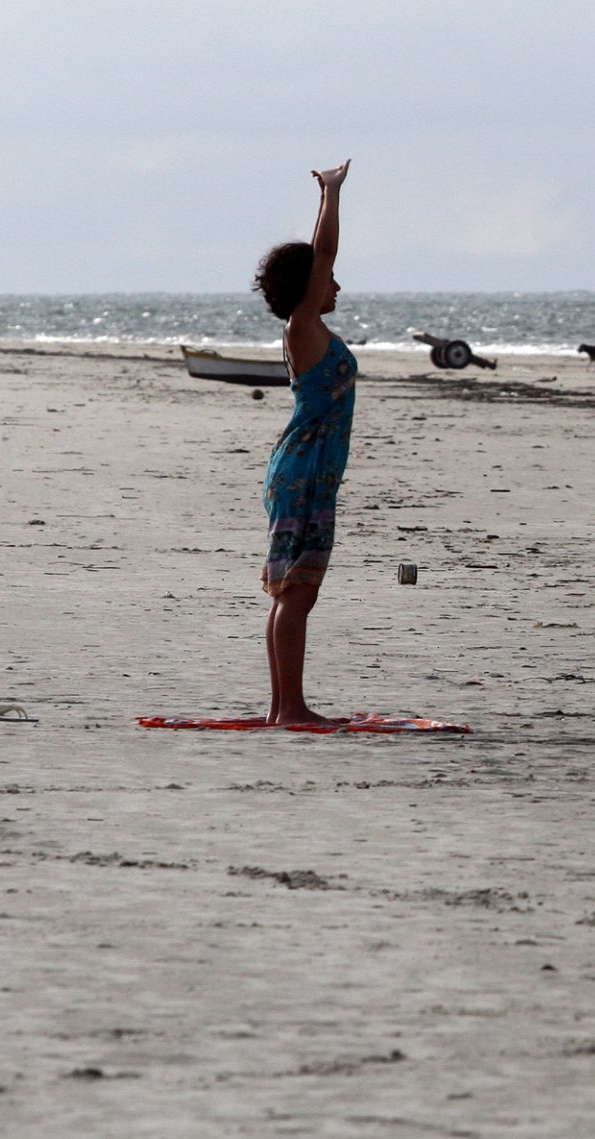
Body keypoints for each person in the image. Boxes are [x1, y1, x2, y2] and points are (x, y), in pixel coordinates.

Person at [250, 159, 353, 725]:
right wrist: (330, 196)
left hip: (309, 472)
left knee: (295, 590)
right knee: (296, 591)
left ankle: (282, 708)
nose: (336, 284)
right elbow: (326, 256)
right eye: (325, 280)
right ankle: (291, 708)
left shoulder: (310, 331)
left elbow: (326, 264)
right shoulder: (302, 326)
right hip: (302, 473)